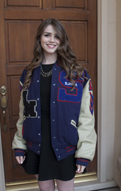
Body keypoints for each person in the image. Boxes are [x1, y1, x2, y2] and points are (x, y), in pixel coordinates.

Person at [12, 18, 97, 191]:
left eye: (57, 36)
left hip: (65, 147)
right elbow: (24, 114)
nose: (52, 40)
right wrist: (19, 145)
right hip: (37, 146)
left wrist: (84, 153)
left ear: (62, 40)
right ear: (39, 38)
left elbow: (86, 117)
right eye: (47, 35)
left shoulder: (78, 75)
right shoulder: (28, 74)